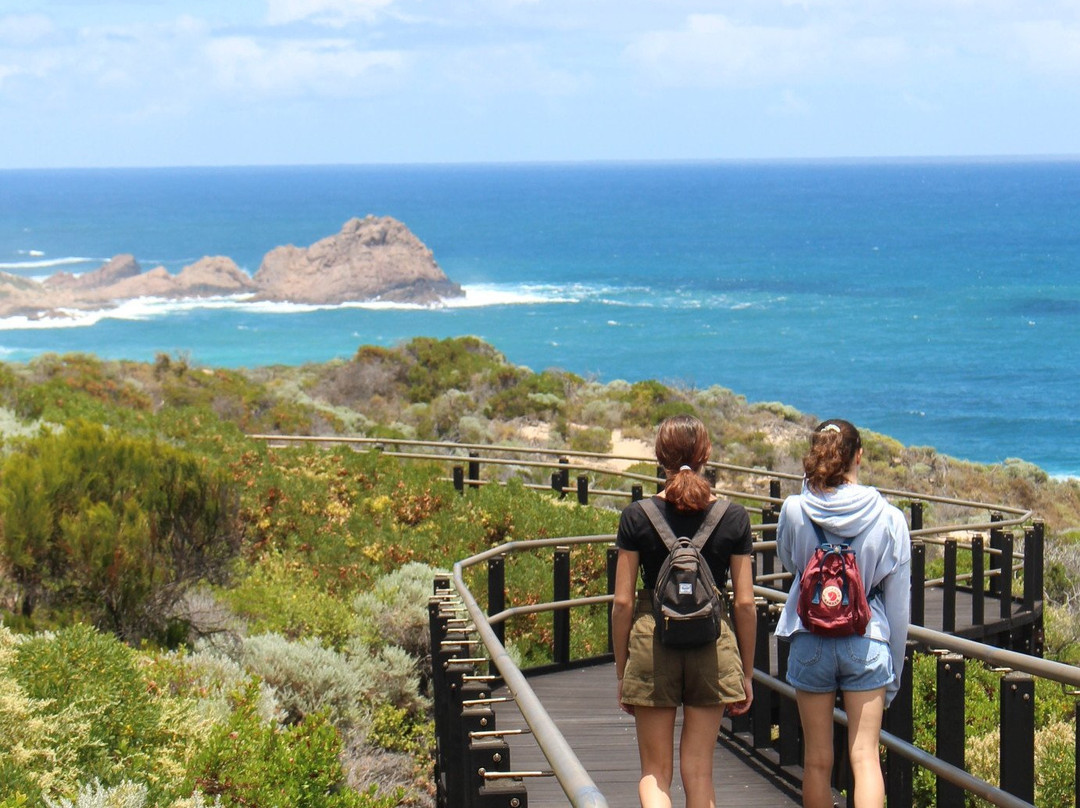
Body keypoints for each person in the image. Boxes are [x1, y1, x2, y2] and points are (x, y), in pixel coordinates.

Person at [612, 414, 756, 808]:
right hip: (712, 645)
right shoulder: (734, 517)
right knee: (699, 772)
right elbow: (744, 603)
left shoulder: (637, 516)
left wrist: (622, 669)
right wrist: (744, 672)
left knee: (655, 774)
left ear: (660, 457)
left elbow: (622, 602)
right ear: (706, 454)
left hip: (651, 644)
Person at [775, 419, 911, 808]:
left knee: (817, 761)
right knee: (865, 758)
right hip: (867, 640)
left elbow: (792, 563)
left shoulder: (795, 508)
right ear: (858, 456)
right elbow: (899, 605)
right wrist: (894, 673)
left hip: (810, 636)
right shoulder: (889, 517)